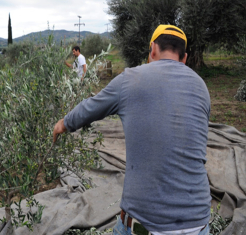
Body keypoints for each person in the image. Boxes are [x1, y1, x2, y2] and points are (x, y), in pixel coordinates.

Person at [53, 25, 211, 235]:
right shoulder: (202, 87)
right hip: (198, 221)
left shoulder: (130, 79)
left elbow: (90, 107)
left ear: (152, 49)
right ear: (184, 58)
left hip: (145, 223)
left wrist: (63, 124)